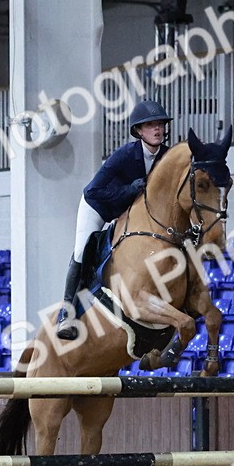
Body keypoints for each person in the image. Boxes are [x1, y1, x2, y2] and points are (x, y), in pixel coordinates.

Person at [56, 100, 172, 339]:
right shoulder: (125, 155)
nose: (157, 129)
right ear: (139, 131)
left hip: (128, 215)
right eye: (150, 125)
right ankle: (65, 314)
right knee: (81, 251)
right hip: (99, 207)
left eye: (159, 124)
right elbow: (92, 191)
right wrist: (128, 191)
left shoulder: (167, 157)